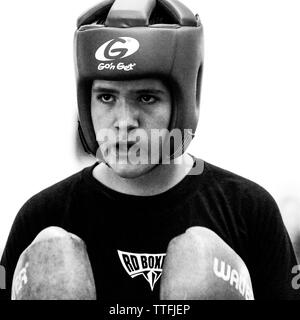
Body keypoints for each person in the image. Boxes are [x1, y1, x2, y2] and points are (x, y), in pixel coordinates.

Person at [0, 0, 299, 300]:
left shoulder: (248, 212)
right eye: (106, 97)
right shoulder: (41, 218)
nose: (124, 122)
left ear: (182, 103)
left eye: (146, 98)